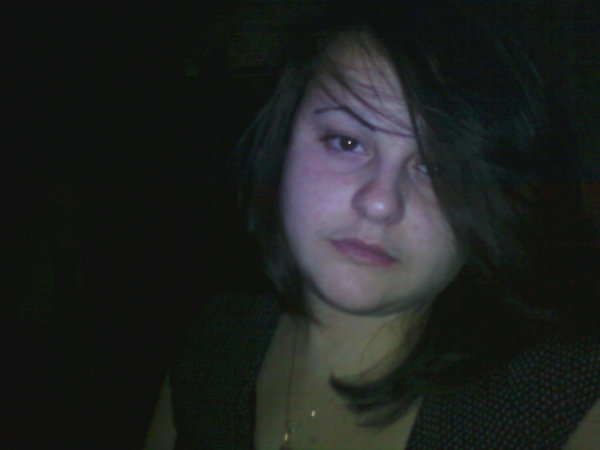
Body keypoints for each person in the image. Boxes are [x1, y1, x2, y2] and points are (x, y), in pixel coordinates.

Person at [145, 1, 600, 448]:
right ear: (281, 145)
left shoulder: (560, 402)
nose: (380, 202)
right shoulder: (214, 341)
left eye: (436, 168)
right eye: (346, 142)